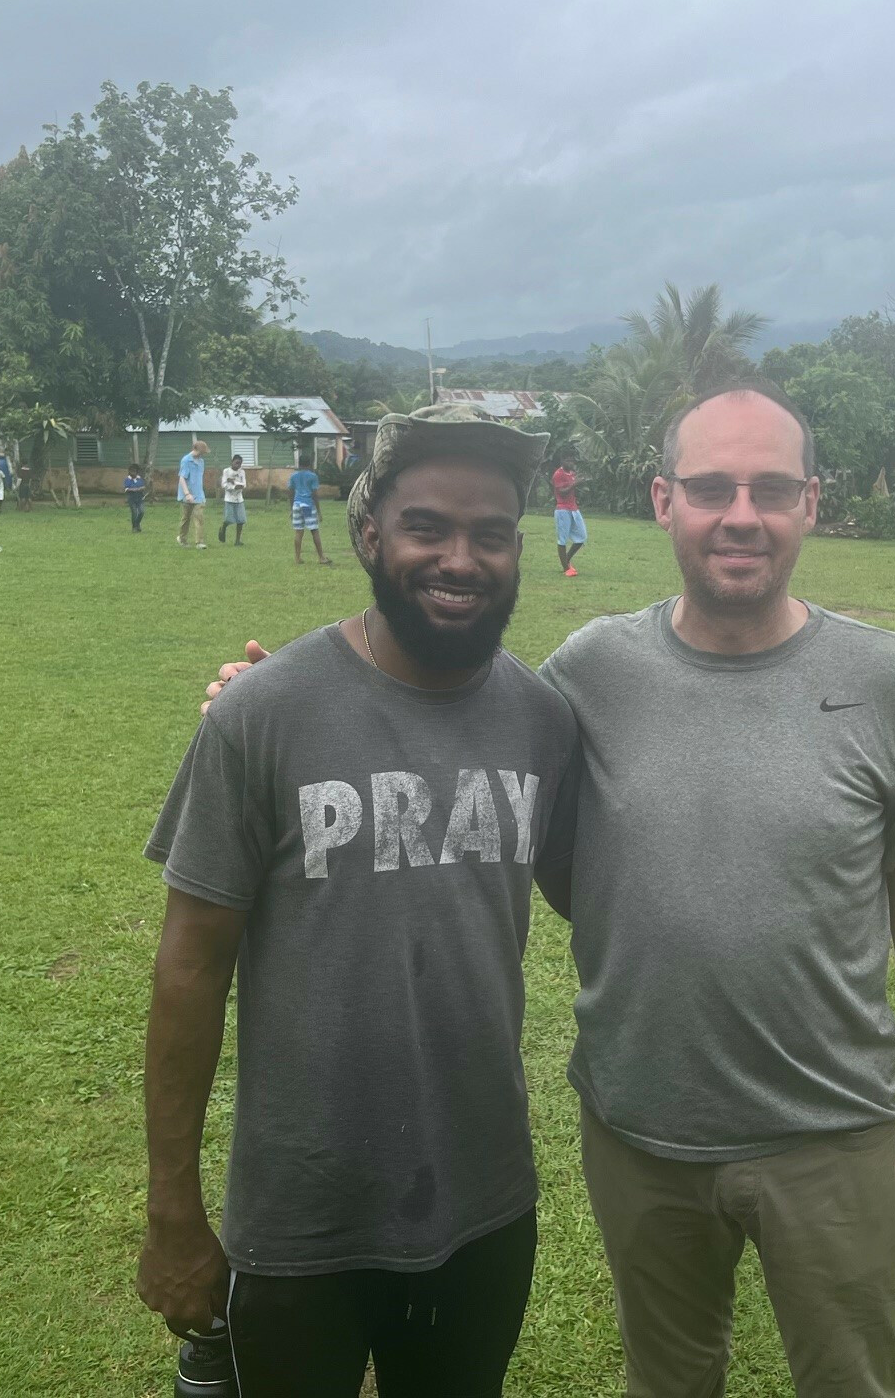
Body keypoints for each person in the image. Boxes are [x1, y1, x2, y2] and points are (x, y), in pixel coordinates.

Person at [202, 380, 895, 1398]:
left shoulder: (887, 681)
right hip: (641, 1132)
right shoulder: (588, 673)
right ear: (663, 501)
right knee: (668, 1382)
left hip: (831, 1133)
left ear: (810, 504)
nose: (740, 514)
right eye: (710, 488)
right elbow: (457, 733)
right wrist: (276, 704)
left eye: (771, 490)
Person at [139, 406, 575, 1397]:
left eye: (492, 534)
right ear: (370, 533)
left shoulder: (542, 719)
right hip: (301, 1221)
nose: (461, 558)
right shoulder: (263, 715)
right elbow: (190, 964)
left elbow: (616, 901)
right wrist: (173, 1211)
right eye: (429, 527)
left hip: (483, 1208)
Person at [289, 454, 331, 565]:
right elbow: (314, 494)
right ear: (309, 464)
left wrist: (291, 508)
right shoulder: (312, 476)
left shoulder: (293, 476)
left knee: (298, 532)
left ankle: (297, 558)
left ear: (299, 464)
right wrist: (319, 511)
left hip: (297, 504)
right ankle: (321, 557)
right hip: (307, 505)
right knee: (314, 531)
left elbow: (290, 492)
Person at [550, 454, 586, 577]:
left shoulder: (571, 473)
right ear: (562, 460)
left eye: (572, 460)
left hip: (573, 508)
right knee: (562, 539)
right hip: (562, 509)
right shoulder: (558, 474)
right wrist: (575, 484)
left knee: (582, 536)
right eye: (568, 460)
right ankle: (566, 568)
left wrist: (577, 482)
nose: (571, 463)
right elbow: (561, 492)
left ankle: (567, 559)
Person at [177, 441, 208, 549]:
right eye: (202, 452)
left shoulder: (201, 462)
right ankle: (182, 539)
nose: (202, 454)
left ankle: (199, 542)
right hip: (187, 495)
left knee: (199, 517)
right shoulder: (186, 460)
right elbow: (182, 478)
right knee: (186, 518)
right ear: (196, 450)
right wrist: (187, 494)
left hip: (199, 495)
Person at [219, 455, 249, 545]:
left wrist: (235, 483)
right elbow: (224, 484)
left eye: (240, 464)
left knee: (241, 520)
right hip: (229, 498)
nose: (238, 465)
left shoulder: (242, 472)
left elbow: (244, 484)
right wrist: (233, 486)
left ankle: (237, 540)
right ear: (232, 462)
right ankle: (223, 527)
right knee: (229, 519)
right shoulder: (226, 471)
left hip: (239, 499)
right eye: (236, 463)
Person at [124, 463, 148, 533]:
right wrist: (134, 489)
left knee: (141, 511)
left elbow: (143, 486)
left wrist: (141, 488)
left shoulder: (139, 479)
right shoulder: (127, 479)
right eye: (131, 471)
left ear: (137, 472)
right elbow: (126, 489)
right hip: (132, 499)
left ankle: (137, 523)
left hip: (140, 498)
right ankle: (134, 527)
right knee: (134, 512)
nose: (132, 473)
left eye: (134, 471)